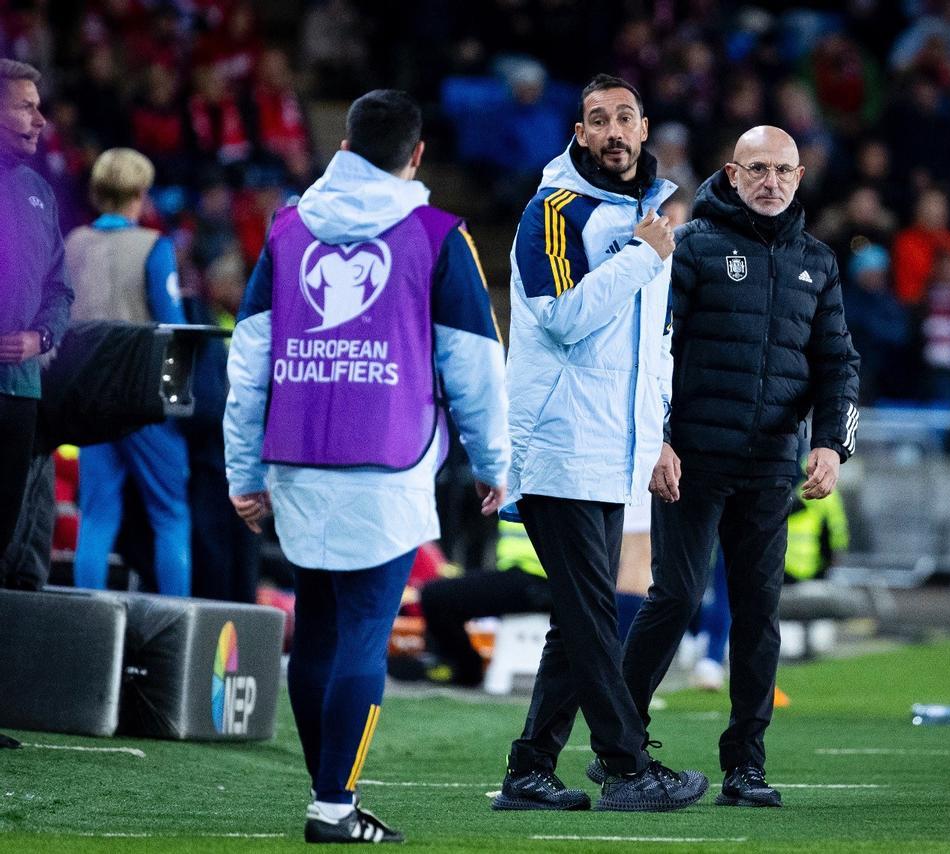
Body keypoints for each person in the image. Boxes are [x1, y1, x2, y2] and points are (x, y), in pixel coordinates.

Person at [224, 89, 509, 843]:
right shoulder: (437, 234)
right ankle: (332, 805)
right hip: (389, 460)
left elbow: (248, 360)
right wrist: (492, 462)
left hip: (296, 454)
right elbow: (475, 366)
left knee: (315, 630)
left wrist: (241, 468)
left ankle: (330, 796)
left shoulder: (286, 232)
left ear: (344, 146)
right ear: (416, 156)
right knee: (361, 635)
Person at [619, 125, 861, 807]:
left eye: (783, 170)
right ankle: (622, 747)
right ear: (730, 173)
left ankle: (745, 767)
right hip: (691, 460)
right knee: (674, 597)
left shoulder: (817, 260)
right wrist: (657, 440)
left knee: (759, 614)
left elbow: (838, 361)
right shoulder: (692, 246)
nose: (771, 182)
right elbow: (652, 348)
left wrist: (830, 444)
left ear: (799, 176)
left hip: (768, 467)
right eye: (757, 169)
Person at [494, 73, 707, 813]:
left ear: (645, 128)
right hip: (557, 444)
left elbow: (652, 350)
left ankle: (529, 770)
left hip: (612, 450)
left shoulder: (647, 217)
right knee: (591, 616)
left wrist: (660, 439)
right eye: (597, 120)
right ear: (578, 134)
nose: (614, 131)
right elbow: (561, 319)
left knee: (578, 619)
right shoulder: (553, 210)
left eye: (625, 117)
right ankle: (624, 765)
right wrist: (643, 256)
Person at [64, 147, 192, 596]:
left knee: (97, 515)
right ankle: (180, 629)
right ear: (141, 193)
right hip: (143, 402)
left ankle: (86, 623)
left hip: (89, 400)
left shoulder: (73, 245)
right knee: (171, 513)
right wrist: (175, 404)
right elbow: (173, 328)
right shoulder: (155, 247)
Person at [0, 59, 72, 575]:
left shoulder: (39, 194)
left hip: (21, 388)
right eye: (26, 107)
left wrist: (39, 337)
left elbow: (60, 291)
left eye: (39, 107)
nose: (40, 120)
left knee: (3, 528)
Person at [420, 519, 551, 687]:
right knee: (438, 595)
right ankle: (464, 669)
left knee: (436, 597)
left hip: (540, 582)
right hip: (527, 577)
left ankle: (465, 670)